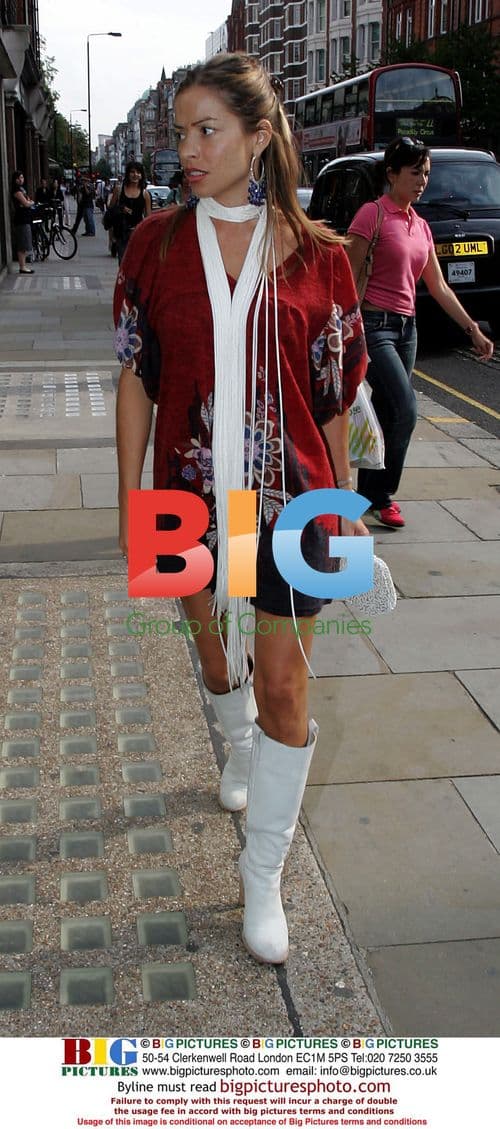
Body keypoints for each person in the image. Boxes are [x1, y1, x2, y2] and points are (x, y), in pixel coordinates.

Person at [114, 52, 368, 966]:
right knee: (210, 650)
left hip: (294, 499)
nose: (188, 147)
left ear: (259, 137)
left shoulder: (324, 259)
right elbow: (137, 382)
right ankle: (233, 749)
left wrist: (344, 515)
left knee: (285, 683)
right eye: (180, 132)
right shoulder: (153, 246)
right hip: (184, 495)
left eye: (206, 129)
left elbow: (335, 400)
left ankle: (264, 876)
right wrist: (128, 498)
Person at [346, 136, 494, 528]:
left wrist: (471, 329)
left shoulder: (421, 226)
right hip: (374, 327)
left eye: (426, 173)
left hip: (408, 328)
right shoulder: (371, 216)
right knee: (408, 409)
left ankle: (364, 494)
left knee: (387, 410)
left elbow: (439, 286)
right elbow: (345, 275)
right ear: (392, 174)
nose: (423, 180)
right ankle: (383, 494)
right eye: (415, 172)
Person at [108, 161, 152, 262]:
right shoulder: (119, 190)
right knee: (123, 264)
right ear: (128, 174)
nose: (135, 175)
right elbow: (110, 210)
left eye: (138, 172)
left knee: (137, 265)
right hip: (121, 234)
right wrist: (120, 208)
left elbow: (148, 218)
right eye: (132, 172)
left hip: (137, 234)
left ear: (141, 175)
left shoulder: (145, 194)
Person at [10, 170, 35, 273]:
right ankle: (22, 266)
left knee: (25, 244)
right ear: (15, 179)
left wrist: (29, 202)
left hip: (25, 218)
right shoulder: (17, 191)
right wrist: (30, 203)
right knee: (22, 244)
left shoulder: (22, 190)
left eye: (22, 177)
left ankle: (23, 266)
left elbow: (28, 201)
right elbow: (26, 203)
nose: (21, 179)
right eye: (19, 178)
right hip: (20, 220)